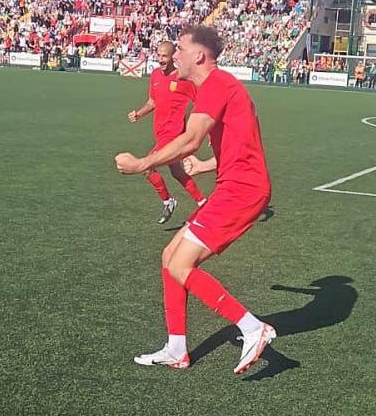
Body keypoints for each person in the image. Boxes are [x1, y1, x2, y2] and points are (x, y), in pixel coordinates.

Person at [115, 25, 275, 375]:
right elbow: (243, 145)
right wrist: (205, 165)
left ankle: (252, 327)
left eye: (182, 49)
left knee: (181, 264)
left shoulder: (218, 84)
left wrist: (143, 163)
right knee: (169, 256)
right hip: (236, 185)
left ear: (199, 55)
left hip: (241, 191)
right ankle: (176, 348)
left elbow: (190, 140)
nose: (176, 55)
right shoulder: (218, 87)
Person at [128, 41, 207, 224]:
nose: (160, 59)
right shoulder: (155, 75)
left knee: (147, 166)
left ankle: (168, 201)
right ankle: (203, 203)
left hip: (174, 136)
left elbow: (203, 103)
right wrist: (139, 114)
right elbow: (152, 102)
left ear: (173, 57)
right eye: (159, 55)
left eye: (164, 56)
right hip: (160, 133)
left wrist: (208, 130)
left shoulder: (183, 78)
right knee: (178, 172)